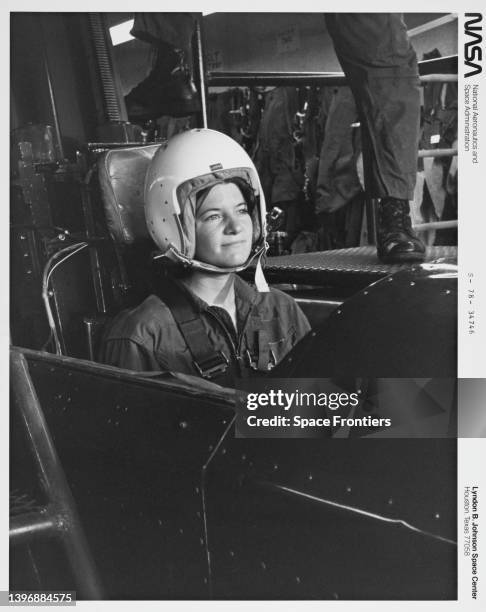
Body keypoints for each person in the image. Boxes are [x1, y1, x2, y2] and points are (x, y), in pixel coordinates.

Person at [100, 129, 311, 386]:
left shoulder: (281, 310)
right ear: (176, 226)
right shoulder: (143, 335)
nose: (236, 227)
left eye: (242, 210)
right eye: (214, 216)